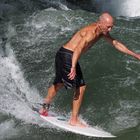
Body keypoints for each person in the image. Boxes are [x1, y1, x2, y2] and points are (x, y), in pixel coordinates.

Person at [39, 12, 140, 127]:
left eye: (112, 26)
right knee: (81, 86)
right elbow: (78, 48)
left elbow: (115, 43)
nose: (110, 29)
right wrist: (73, 66)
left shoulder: (102, 32)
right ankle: (74, 120)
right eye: (108, 26)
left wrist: (135, 55)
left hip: (63, 53)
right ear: (100, 23)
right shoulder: (91, 32)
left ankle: (44, 107)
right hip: (68, 55)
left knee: (59, 83)